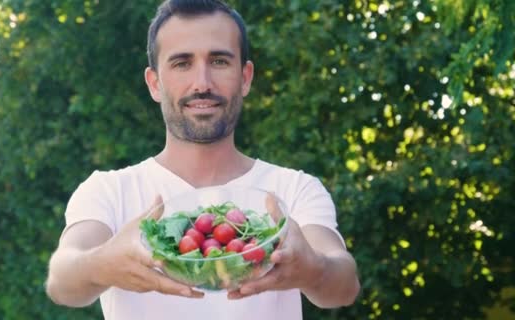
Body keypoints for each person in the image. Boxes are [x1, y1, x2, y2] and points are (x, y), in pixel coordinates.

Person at [45, 0, 360, 319]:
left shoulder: (294, 189)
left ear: (246, 77)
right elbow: (61, 281)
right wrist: (102, 264)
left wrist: (313, 268)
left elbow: (345, 284)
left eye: (220, 61)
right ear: (155, 83)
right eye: (182, 63)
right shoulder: (109, 191)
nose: (202, 83)